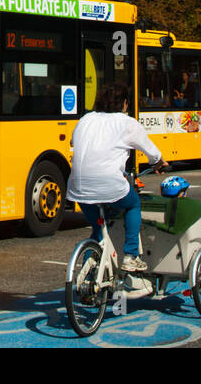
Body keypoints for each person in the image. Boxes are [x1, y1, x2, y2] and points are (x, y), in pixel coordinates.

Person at [67, 82, 166, 272]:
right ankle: (131, 255)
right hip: (109, 183)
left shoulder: (86, 119)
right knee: (132, 204)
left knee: (99, 228)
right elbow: (152, 153)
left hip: (77, 186)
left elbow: (73, 141)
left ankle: (88, 274)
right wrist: (159, 163)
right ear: (125, 104)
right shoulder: (126, 122)